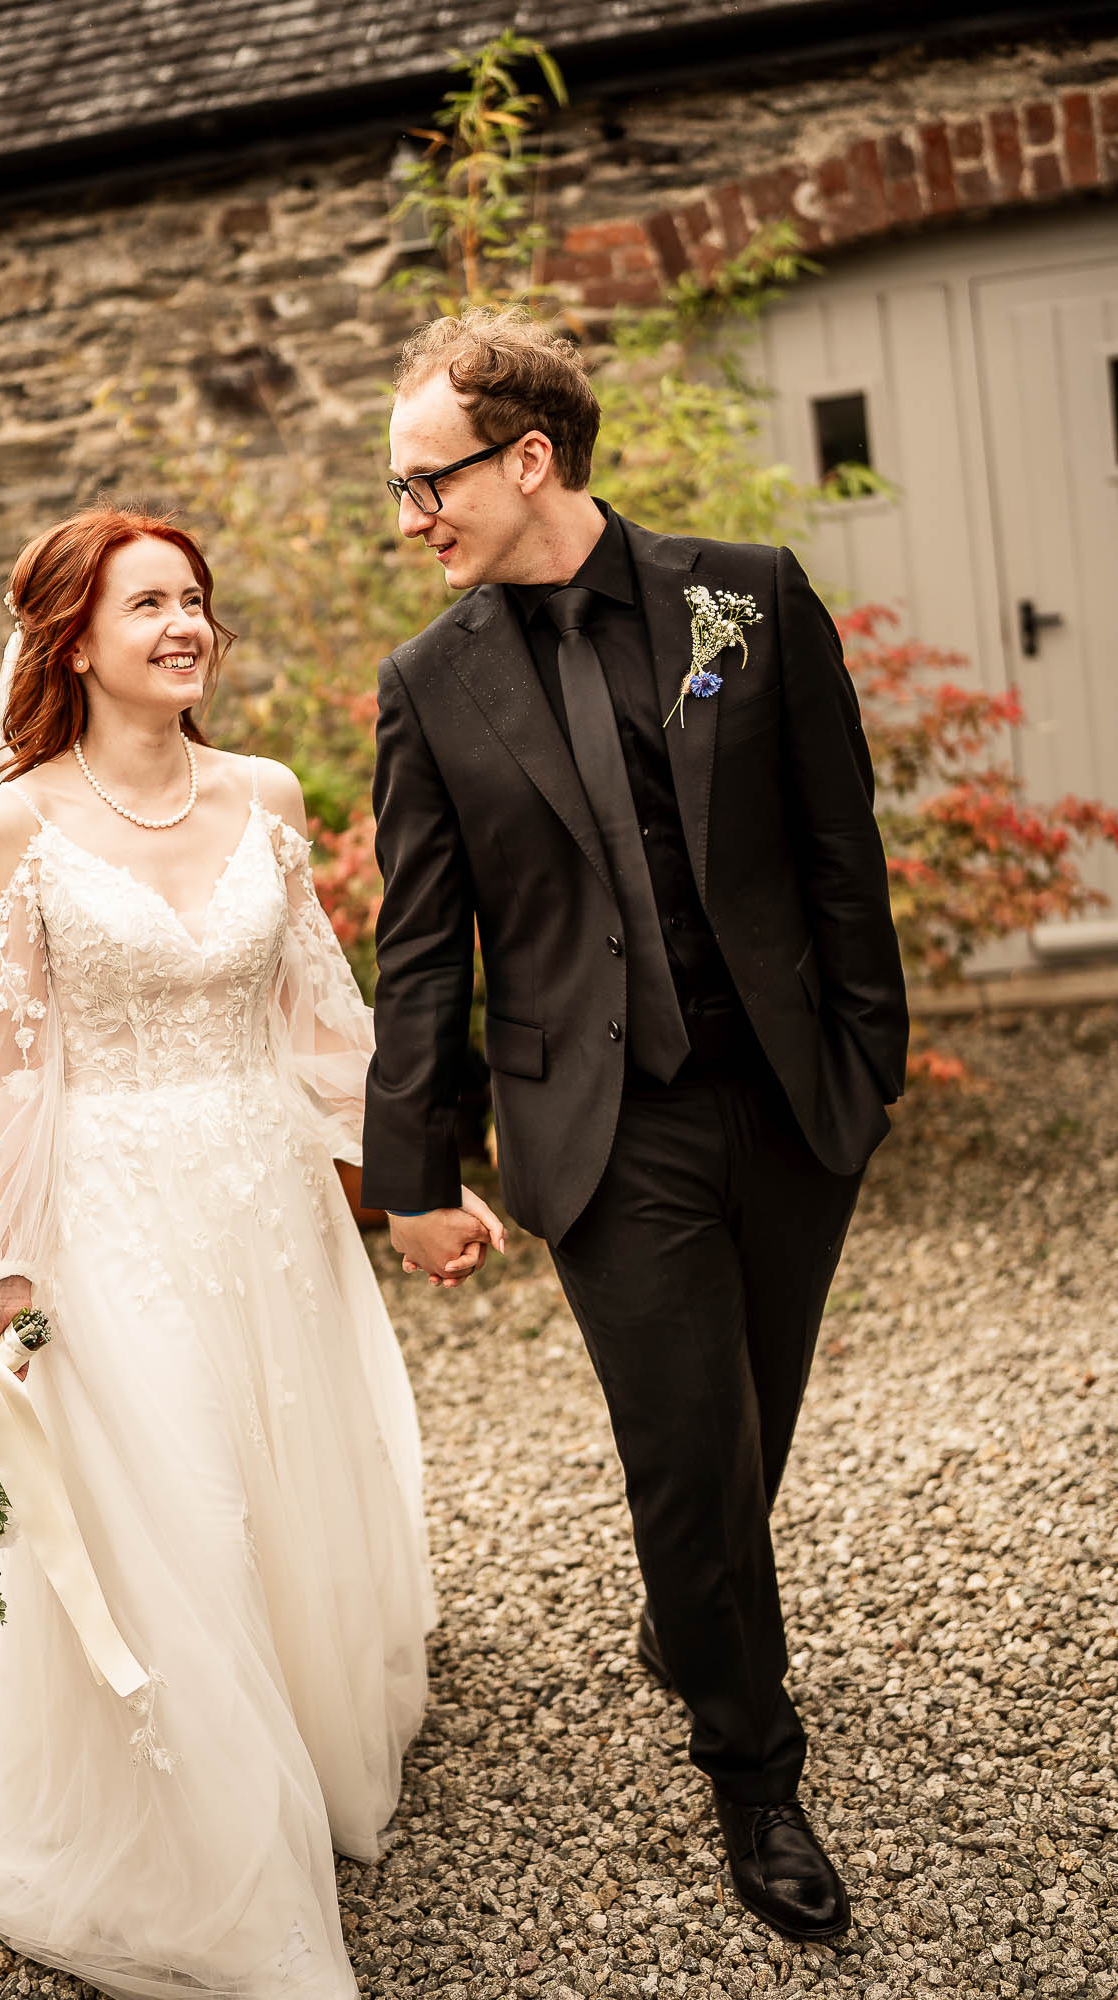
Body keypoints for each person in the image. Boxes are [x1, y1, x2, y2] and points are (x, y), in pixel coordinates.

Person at [0, 504, 452, 2000]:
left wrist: (414, 1178)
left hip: (266, 1208)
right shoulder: (11, 822)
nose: (184, 624)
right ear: (72, 637)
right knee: (173, 1503)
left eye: (196, 599)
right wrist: (8, 1266)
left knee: (285, 1468)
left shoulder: (266, 795)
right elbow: (11, 1065)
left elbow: (321, 1024)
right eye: (148, 601)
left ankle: (305, 1727)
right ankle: (217, 1847)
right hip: (112, 1215)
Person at [360, 309, 909, 1943]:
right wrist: (416, 1168)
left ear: (528, 458)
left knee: (752, 1417)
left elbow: (837, 841)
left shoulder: (744, 597)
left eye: (425, 482)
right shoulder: (426, 684)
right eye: (399, 492)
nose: (413, 519)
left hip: (790, 1093)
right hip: (599, 1126)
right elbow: (418, 945)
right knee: (682, 1446)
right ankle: (751, 1771)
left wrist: (867, 1069)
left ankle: (698, 1614)